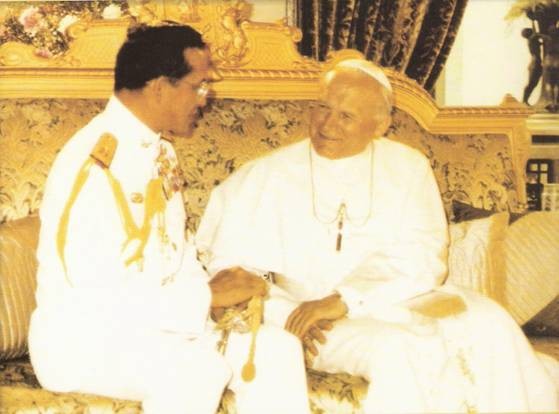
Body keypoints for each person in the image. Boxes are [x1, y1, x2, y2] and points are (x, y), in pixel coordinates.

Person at [197, 58, 559, 413]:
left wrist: (345, 299)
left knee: (489, 323)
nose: (327, 124)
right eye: (322, 108)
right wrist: (286, 315)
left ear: (381, 124)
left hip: (394, 298)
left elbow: (423, 253)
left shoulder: (408, 167)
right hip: (312, 319)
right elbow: (232, 270)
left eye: (346, 116)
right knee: (399, 349)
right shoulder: (266, 174)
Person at [28, 24, 309, 414]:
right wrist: (206, 297)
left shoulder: (160, 150)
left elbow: (178, 252)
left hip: (160, 326)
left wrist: (213, 302)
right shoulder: (93, 165)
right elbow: (96, 294)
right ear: (160, 87)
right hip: (87, 339)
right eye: (198, 86)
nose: (204, 99)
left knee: (276, 350)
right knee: (198, 370)